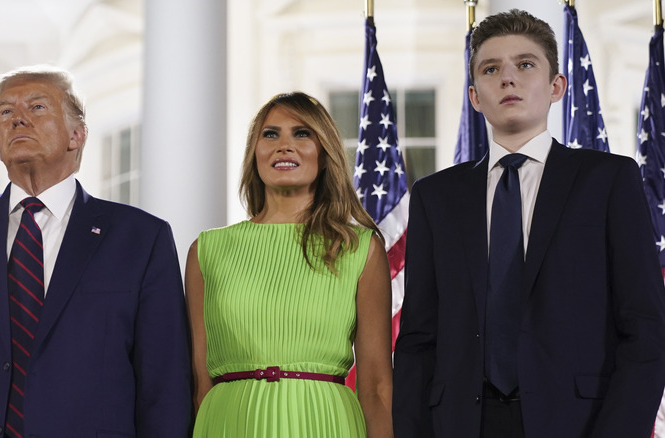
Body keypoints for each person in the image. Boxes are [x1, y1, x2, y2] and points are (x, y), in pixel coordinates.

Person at [393, 8, 665, 438]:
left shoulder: (609, 180)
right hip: (461, 424)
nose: (507, 78)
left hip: (580, 424)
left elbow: (647, 331)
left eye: (525, 64)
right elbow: (417, 342)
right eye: (491, 68)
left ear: (557, 86)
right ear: (474, 96)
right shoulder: (435, 197)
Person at [0, 66, 192, 438]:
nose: (17, 120)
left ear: (77, 135)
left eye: (37, 107)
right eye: (5, 112)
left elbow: (165, 385)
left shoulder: (142, 238)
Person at [185, 92, 394, 437]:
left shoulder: (360, 249)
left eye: (302, 133)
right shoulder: (207, 251)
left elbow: (376, 388)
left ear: (325, 155)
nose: (284, 145)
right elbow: (199, 381)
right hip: (228, 422)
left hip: (326, 423)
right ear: (255, 153)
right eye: (270, 134)